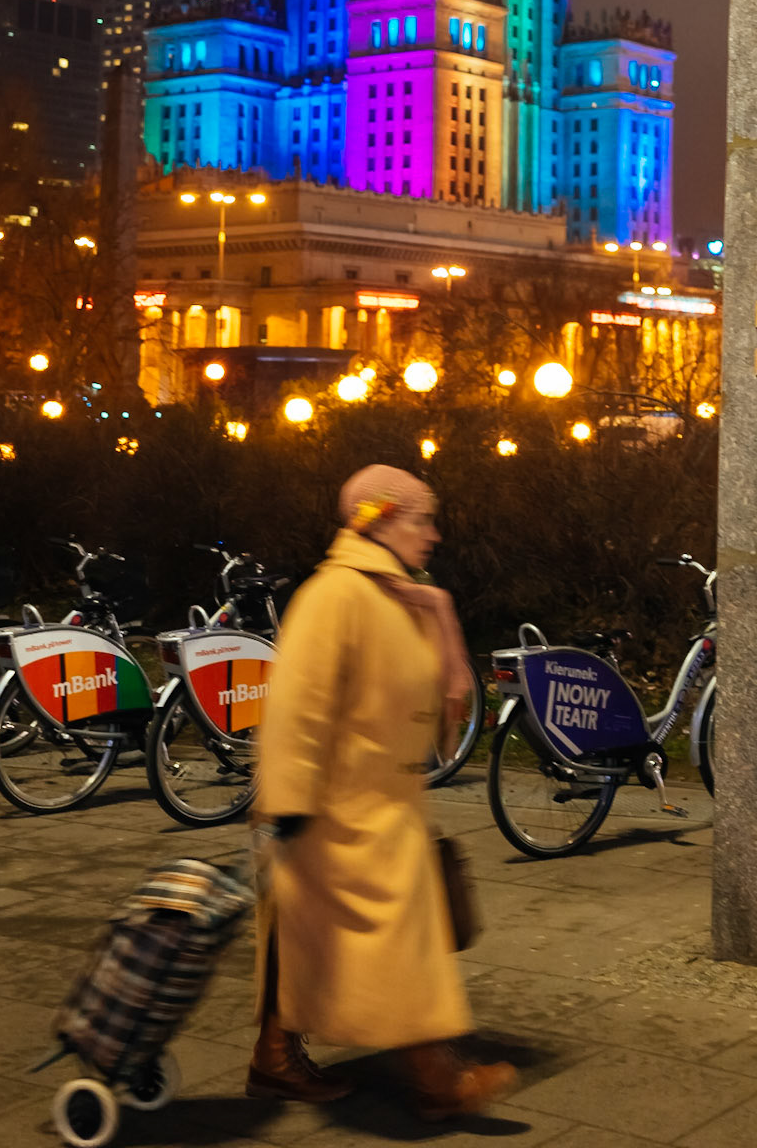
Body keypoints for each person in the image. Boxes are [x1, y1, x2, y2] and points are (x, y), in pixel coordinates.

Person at [248, 463, 514, 1121]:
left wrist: (443, 620)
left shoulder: (394, 593)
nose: (435, 532)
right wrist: (287, 803)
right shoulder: (336, 595)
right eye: (423, 517)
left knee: (322, 942)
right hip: (338, 809)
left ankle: (274, 1056)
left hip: (377, 806)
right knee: (396, 946)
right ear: (382, 517)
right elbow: (296, 707)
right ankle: (436, 1079)